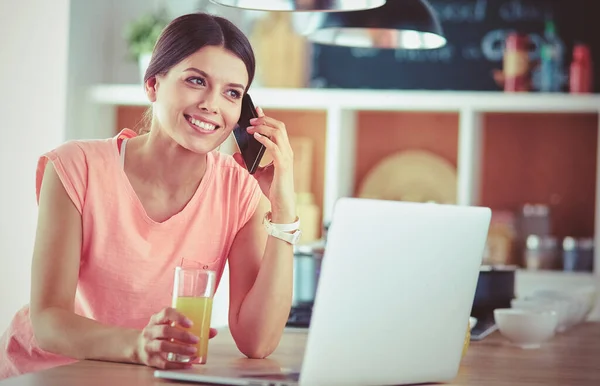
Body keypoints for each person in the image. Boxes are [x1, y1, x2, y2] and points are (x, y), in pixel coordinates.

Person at [0, 12, 299, 379]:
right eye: (195, 81)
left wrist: (284, 210)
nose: (211, 104)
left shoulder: (240, 192)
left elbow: (258, 342)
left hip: (142, 375)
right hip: (47, 373)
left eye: (232, 93)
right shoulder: (75, 166)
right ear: (154, 85)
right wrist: (139, 344)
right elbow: (48, 322)